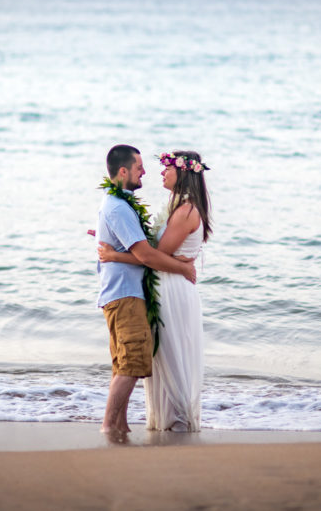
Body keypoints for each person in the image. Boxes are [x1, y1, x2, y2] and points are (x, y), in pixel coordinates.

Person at [99, 149, 211, 432]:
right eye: (143, 166)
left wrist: (115, 255)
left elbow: (154, 254)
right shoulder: (176, 207)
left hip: (172, 287)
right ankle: (141, 423)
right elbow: (150, 252)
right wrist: (113, 239)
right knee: (158, 356)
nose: (158, 172)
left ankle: (176, 421)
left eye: (167, 168)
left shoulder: (185, 210)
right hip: (164, 284)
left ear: (183, 172)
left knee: (171, 355)